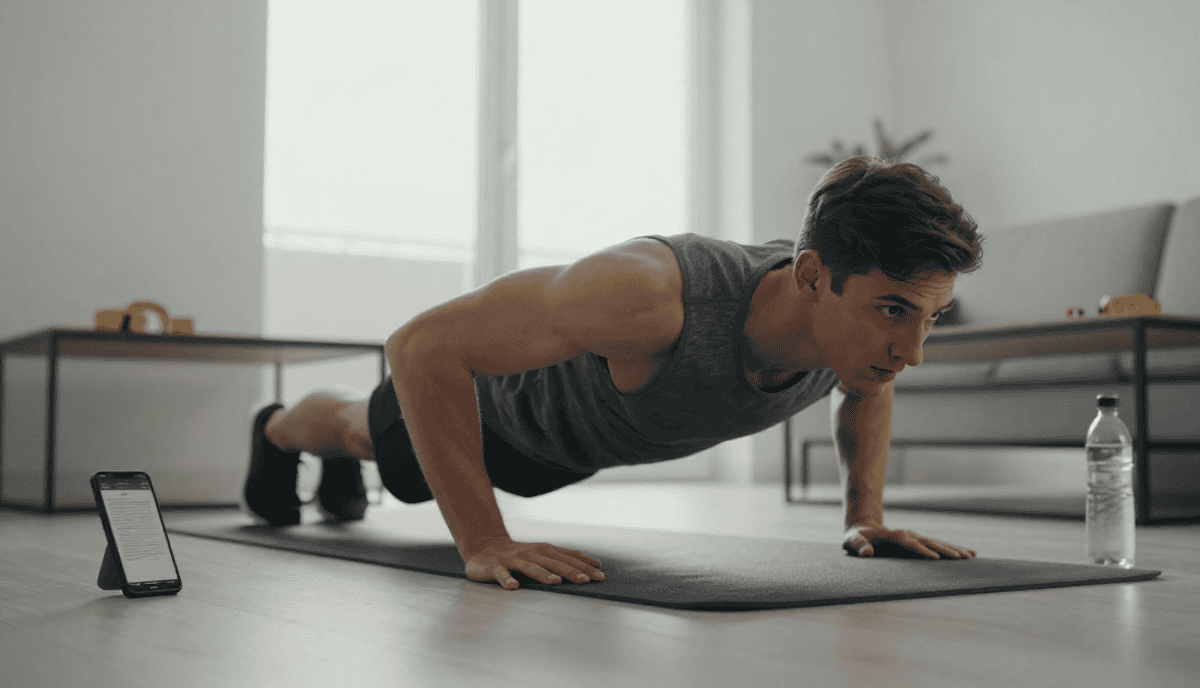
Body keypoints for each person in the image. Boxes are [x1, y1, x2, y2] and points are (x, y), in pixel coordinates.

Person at [242, 156, 984, 590]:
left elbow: (865, 394)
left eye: (930, 318)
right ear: (814, 276)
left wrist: (864, 517)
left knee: (371, 442)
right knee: (361, 431)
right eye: (894, 312)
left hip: (565, 454)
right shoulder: (649, 294)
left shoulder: (856, 336)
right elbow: (418, 346)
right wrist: (484, 541)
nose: (912, 351)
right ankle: (276, 432)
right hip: (485, 414)